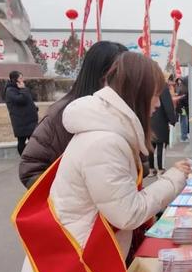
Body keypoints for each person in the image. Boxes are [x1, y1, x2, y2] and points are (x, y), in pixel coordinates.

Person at [14, 52, 191, 272]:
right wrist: (174, 179)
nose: (157, 103)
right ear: (137, 93)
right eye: (154, 95)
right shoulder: (106, 142)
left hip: (79, 257)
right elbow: (127, 213)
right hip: (77, 267)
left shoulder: (108, 132)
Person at [19, 41, 128, 187]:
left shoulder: (125, 112)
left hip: (119, 205)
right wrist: (75, 195)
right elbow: (31, 169)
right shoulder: (61, 116)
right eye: (117, 76)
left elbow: (140, 165)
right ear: (98, 76)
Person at [5, 71, 39, 156]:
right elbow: (21, 100)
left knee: (33, 140)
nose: (22, 80)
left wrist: (34, 108)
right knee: (21, 141)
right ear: (14, 79)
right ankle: (24, 157)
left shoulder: (19, 87)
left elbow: (28, 100)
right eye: (20, 78)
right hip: (21, 121)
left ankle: (32, 156)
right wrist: (23, 89)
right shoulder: (10, 90)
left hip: (28, 120)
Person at [149, 82, 177, 176]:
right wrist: (172, 120)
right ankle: (161, 169)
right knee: (161, 145)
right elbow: (167, 105)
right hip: (160, 121)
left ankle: (151, 169)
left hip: (148, 121)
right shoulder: (162, 87)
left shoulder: (146, 84)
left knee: (150, 146)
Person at [175, 77, 190, 142]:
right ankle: (184, 137)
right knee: (184, 122)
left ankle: (184, 136)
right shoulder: (185, 89)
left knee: (183, 121)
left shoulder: (180, 88)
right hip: (183, 108)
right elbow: (184, 100)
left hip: (181, 108)